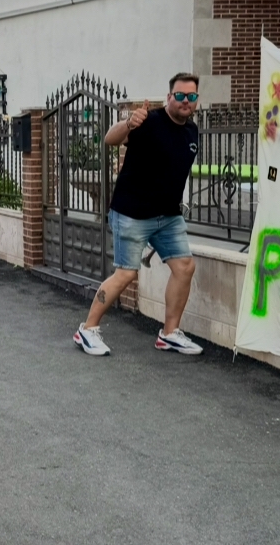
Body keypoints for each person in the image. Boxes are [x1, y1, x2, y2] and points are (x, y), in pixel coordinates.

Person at [74, 73, 202, 357]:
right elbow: (110, 139)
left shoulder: (191, 132)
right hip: (132, 213)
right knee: (126, 274)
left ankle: (169, 334)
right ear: (169, 97)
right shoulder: (149, 121)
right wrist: (128, 123)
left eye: (191, 97)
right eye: (179, 96)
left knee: (185, 268)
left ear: (196, 101)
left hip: (168, 217)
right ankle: (87, 329)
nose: (185, 101)